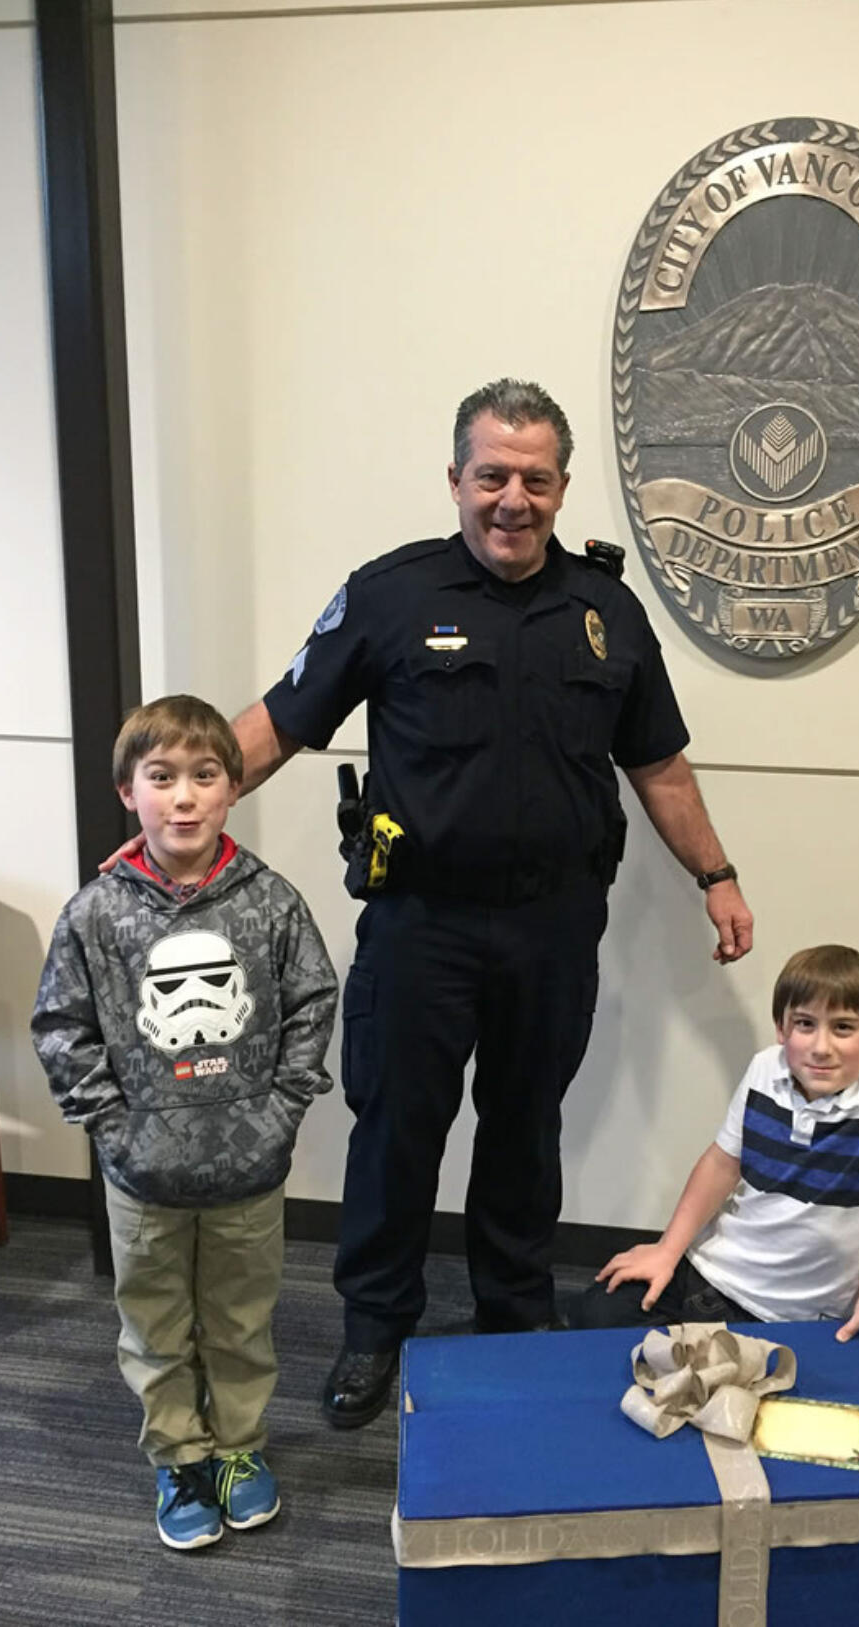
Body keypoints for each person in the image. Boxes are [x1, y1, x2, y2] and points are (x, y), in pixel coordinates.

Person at [219, 377, 753, 1429]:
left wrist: (717, 876)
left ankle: (513, 1313)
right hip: (422, 925)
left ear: (560, 488)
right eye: (492, 475)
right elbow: (277, 723)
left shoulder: (605, 614)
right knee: (395, 1132)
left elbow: (661, 770)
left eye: (535, 479)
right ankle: (376, 1330)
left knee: (525, 1127)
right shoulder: (388, 596)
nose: (513, 498)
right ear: (455, 479)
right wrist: (178, 803)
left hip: (553, 926)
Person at [34, 695, 337, 1550]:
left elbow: (314, 998)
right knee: (156, 1325)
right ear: (128, 790)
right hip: (142, 1176)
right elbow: (62, 1025)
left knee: (242, 1321)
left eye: (205, 775)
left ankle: (238, 1449)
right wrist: (112, 1129)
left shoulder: (269, 902)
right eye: (161, 777)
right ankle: (179, 1454)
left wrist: (282, 1109)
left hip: (249, 1171)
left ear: (232, 788)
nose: (185, 796)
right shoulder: (96, 912)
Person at [573, 944, 859, 1340]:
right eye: (805, 1024)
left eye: (842, 1027)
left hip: (785, 1314)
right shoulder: (764, 1069)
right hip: (707, 1272)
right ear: (781, 1029)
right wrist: (667, 1251)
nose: (822, 1047)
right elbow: (722, 1162)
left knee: (735, 1379)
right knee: (597, 1313)